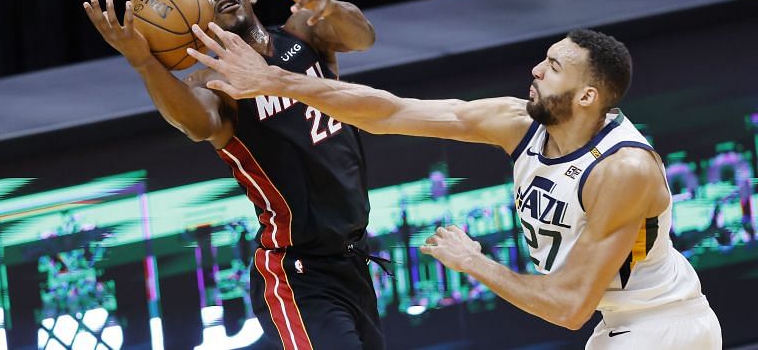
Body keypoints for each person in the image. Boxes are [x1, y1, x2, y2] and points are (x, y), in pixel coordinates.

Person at [186, 25, 722, 349]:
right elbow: (390, 112)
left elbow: (566, 307)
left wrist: (474, 262)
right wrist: (276, 82)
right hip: (622, 324)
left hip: (664, 327)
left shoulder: (622, 171)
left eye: (553, 67)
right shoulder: (518, 122)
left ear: (586, 97)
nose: (535, 69)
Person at [83, 0, 385, 349]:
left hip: (355, 257)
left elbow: (363, 37)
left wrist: (329, 6)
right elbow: (196, 124)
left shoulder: (303, 34)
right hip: (299, 275)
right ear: (192, 14)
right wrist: (144, 62)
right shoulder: (212, 83)